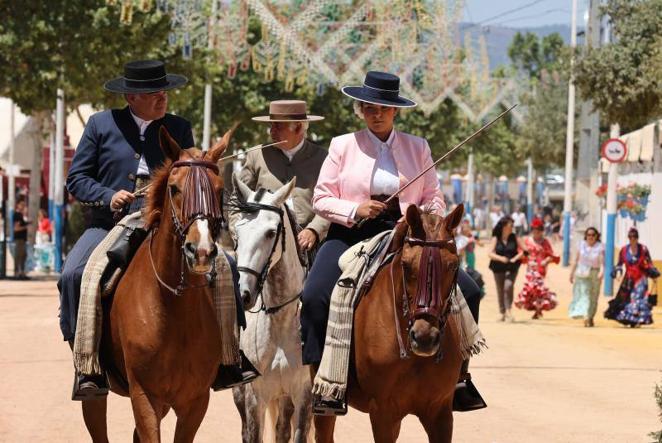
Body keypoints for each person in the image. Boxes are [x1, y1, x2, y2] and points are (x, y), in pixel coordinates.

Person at [59, 60, 256, 399]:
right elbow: (76, 178)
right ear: (132, 96)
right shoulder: (100, 124)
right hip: (110, 223)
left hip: (167, 223)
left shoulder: (179, 127)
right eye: (154, 92)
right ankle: (87, 364)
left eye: (165, 91)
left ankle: (229, 358)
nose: (162, 97)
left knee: (226, 266)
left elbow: (192, 175)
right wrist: (108, 195)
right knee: (74, 275)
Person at [300, 71, 485, 414]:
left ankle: (460, 377)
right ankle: (324, 381)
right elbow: (321, 198)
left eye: (383, 107)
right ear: (361, 108)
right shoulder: (343, 144)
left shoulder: (419, 147)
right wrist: (356, 208)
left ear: (395, 110)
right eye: (369, 106)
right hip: (352, 232)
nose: (376, 112)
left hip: (409, 236)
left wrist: (417, 221)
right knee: (314, 296)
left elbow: (434, 199)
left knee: (470, 291)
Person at [237, 100, 330, 251]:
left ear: (299, 127)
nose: (271, 132)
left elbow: (331, 201)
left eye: (278, 126)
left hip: (310, 242)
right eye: (271, 126)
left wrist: (314, 230)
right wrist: (240, 233)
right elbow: (238, 198)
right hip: (263, 241)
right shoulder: (256, 155)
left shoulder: (323, 157)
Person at [605, 227, 657, 327]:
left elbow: (649, 263)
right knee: (626, 300)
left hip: (641, 279)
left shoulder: (643, 249)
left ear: (637, 237)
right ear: (628, 238)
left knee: (637, 299)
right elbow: (619, 264)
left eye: (635, 237)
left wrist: (653, 274)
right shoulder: (624, 250)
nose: (632, 239)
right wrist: (617, 273)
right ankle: (629, 319)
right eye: (630, 237)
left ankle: (636, 319)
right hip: (628, 279)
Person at [515, 218, 559, 319]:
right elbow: (522, 253)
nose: (536, 232)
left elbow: (551, 255)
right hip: (530, 269)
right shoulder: (527, 241)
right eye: (534, 229)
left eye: (539, 230)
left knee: (539, 289)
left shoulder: (545, 242)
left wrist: (545, 261)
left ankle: (538, 309)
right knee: (531, 288)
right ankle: (535, 308)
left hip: (541, 268)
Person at [488, 216, 523, 322]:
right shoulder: (496, 238)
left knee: (508, 286)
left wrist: (516, 258)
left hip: (512, 266)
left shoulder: (515, 237)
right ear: (504, 226)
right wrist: (501, 258)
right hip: (498, 267)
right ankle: (502, 312)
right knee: (500, 289)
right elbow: (489, 253)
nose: (512, 226)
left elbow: (525, 251)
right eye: (510, 224)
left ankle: (508, 310)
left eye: (513, 224)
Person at [568, 227, 604, 327]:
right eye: (588, 235)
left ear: (596, 236)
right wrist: (571, 273)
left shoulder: (599, 247)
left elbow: (602, 263)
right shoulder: (581, 245)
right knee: (585, 295)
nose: (591, 237)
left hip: (595, 273)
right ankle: (586, 316)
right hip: (582, 272)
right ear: (586, 236)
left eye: (593, 235)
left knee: (594, 296)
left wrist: (601, 272)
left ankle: (591, 316)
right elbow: (575, 260)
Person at [12, 198, 29, 279]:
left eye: (24, 205)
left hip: (22, 239)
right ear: (18, 205)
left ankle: (21, 272)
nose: (23, 206)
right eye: (21, 205)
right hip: (19, 239)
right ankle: (16, 273)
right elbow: (16, 228)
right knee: (18, 256)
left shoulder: (21, 215)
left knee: (23, 256)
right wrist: (26, 226)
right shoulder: (17, 215)